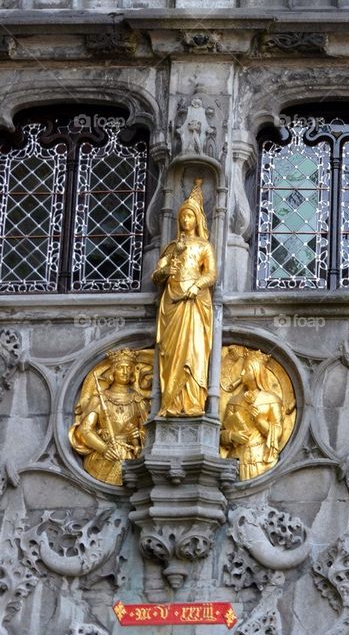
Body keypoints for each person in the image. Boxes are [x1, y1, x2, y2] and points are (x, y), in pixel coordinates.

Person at [152, 180, 216, 417]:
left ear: (197, 219)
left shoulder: (203, 246)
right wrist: (165, 272)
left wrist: (197, 285)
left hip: (195, 303)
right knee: (171, 354)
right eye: (183, 216)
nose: (185, 220)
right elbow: (157, 274)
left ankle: (193, 403)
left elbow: (211, 273)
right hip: (172, 303)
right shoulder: (171, 248)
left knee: (194, 351)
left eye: (190, 216)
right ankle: (170, 403)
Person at [69, 349, 151, 485]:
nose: (125, 372)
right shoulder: (100, 399)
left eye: (128, 368)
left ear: (132, 372)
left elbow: (149, 431)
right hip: (104, 456)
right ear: (113, 371)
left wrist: (137, 437)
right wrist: (103, 448)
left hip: (130, 456)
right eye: (120, 368)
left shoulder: (139, 401)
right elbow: (85, 430)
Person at [220, 350, 292, 479]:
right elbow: (221, 433)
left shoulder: (271, 399)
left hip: (261, 459)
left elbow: (278, 432)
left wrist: (260, 421)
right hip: (235, 460)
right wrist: (232, 435)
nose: (242, 373)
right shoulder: (234, 401)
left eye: (246, 370)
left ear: (256, 372)